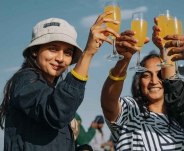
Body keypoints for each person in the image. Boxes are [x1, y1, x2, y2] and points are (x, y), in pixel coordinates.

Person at [0, 11, 119, 151]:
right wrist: (87, 54)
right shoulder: (25, 78)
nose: (60, 58)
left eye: (67, 52)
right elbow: (56, 113)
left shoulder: (52, 92)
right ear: (34, 51)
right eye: (53, 49)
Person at [101, 30, 184, 151]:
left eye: (160, 75)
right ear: (139, 81)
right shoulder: (131, 109)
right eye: (146, 75)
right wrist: (124, 60)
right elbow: (108, 104)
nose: (154, 81)